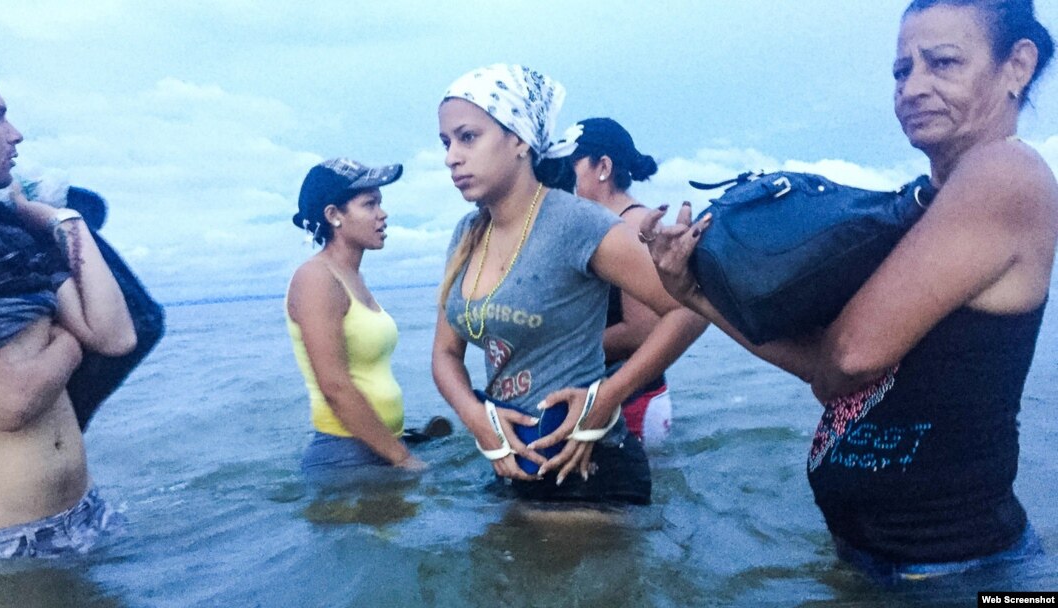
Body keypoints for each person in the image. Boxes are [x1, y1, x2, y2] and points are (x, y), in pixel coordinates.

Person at [642, 0, 1056, 582]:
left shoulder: (1004, 175)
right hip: (889, 565)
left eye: (941, 63)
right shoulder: (931, 203)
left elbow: (848, 360)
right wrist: (694, 293)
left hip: (965, 575)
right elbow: (835, 375)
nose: (913, 87)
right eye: (901, 70)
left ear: (1017, 65)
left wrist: (829, 363)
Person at [431, 64, 705, 504]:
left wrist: (608, 396)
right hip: (510, 469)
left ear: (519, 139)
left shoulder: (578, 223)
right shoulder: (468, 234)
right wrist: (479, 420)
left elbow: (691, 307)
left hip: (589, 472)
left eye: (468, 137)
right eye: (446, 143)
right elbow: (445, 353)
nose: (451, 157)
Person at [0, 65, 137, 561]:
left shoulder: (8, 232)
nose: (16, 133)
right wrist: (70, 338)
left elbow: (116, 335)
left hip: (86, 511)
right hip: (8, 545)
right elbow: (9, 403)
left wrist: (62, 220)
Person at [564, 117, 708, 446]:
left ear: (603, 166)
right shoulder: (604, 225)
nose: (564, 177)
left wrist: (558, 348)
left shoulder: (634, 225)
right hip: (624, 394)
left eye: (572, 164)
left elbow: (640, 330)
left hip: (632, 400)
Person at [286, 158, 428, 483]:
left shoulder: (350, 276)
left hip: (377, 448)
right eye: (370, 204)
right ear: (334, 215)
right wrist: (403, 460)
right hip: (345, 458)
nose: (383, 213)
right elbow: (334, 386)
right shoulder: (316, 279)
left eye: (380, 203)